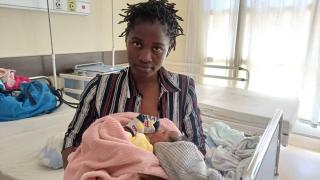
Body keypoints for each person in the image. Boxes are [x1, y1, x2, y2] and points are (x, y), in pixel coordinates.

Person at [62, 0, 206, 169]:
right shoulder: (100, 88)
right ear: (126, 40)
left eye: (157, 48)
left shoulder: (183, 89)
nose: (145, 57)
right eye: (137, 44)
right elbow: (72, 141)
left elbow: (198, 148)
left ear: (170, 47)